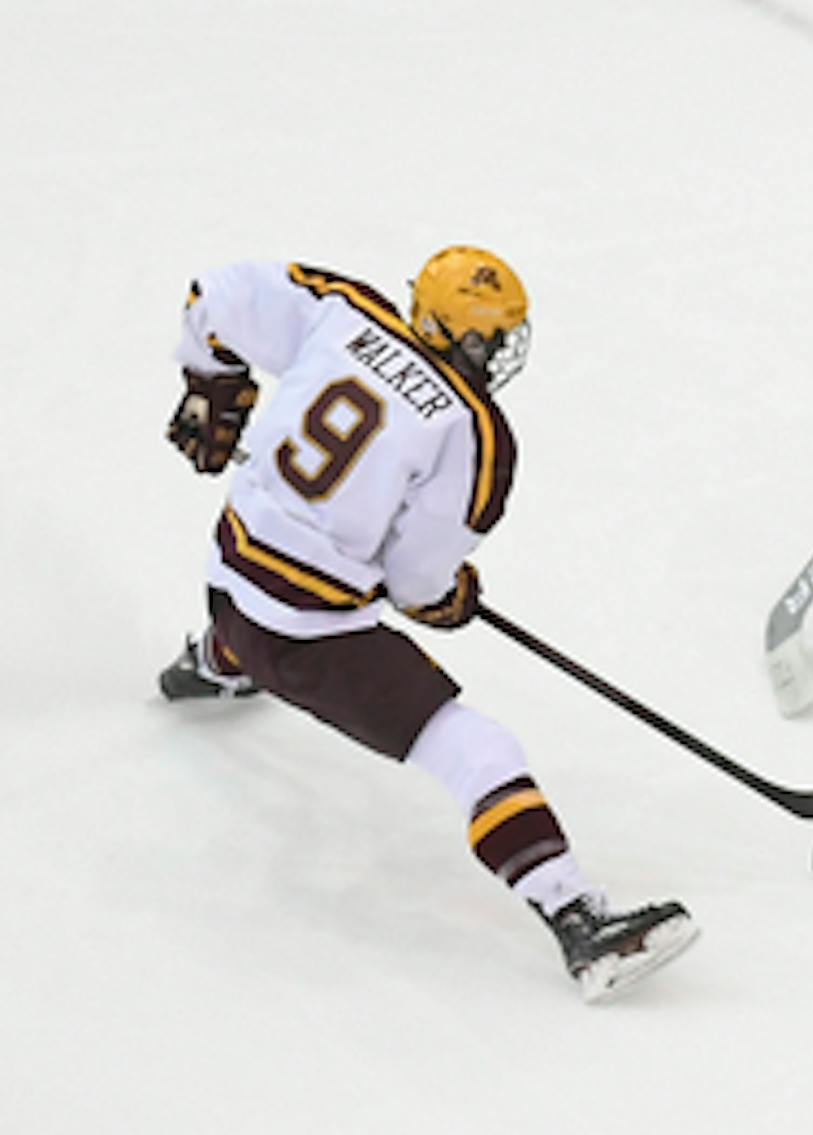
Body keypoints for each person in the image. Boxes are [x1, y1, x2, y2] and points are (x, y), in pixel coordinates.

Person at [160, 248, 697, 1003]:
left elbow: (212, 295)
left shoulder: (342, 308)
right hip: (306, 636)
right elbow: (416, 581)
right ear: (471, 339)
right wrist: (450, 597)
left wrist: (209, 388)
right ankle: (577, 915)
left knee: (270, 600)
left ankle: (214, 662)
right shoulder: (473, 432)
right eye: (497, 336)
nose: (504, 350)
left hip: (226, 579)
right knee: (475, 748)